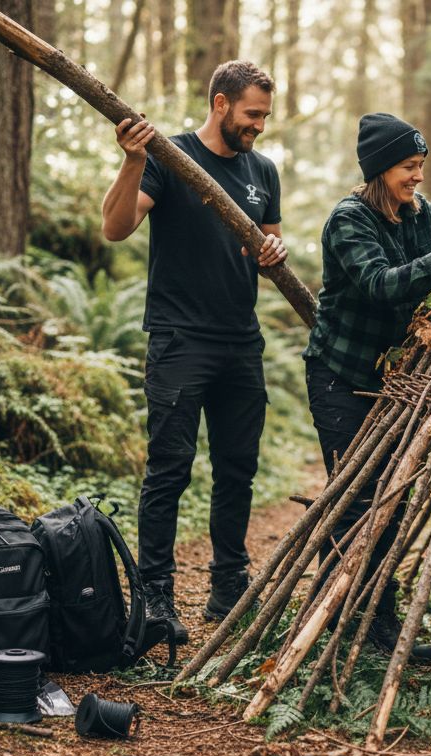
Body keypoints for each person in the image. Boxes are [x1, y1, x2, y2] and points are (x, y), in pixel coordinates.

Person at [101, 61, 288, 639]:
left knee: (238, 470)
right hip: (179, 341)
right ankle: (156, 596)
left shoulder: (264, 170)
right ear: (220, 103)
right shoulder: (169, 155)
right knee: (169, 470)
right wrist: (134, 160)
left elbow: (270, 244)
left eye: (265, 116)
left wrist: (273, 253)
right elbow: (115, 227)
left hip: (241, 342)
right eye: (252, 114)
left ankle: (228, 586)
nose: (259, 126)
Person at [303, 113, 431, 660]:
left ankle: (379, 622)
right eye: (408, 166)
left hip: (394, 381)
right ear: (380, 168)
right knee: (353, 500)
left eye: (420, 165)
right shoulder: (349, 219)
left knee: (390, 497)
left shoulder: (417, 211)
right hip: (340, 376)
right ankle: (332, 624)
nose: (417, 176)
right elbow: (379, 284)